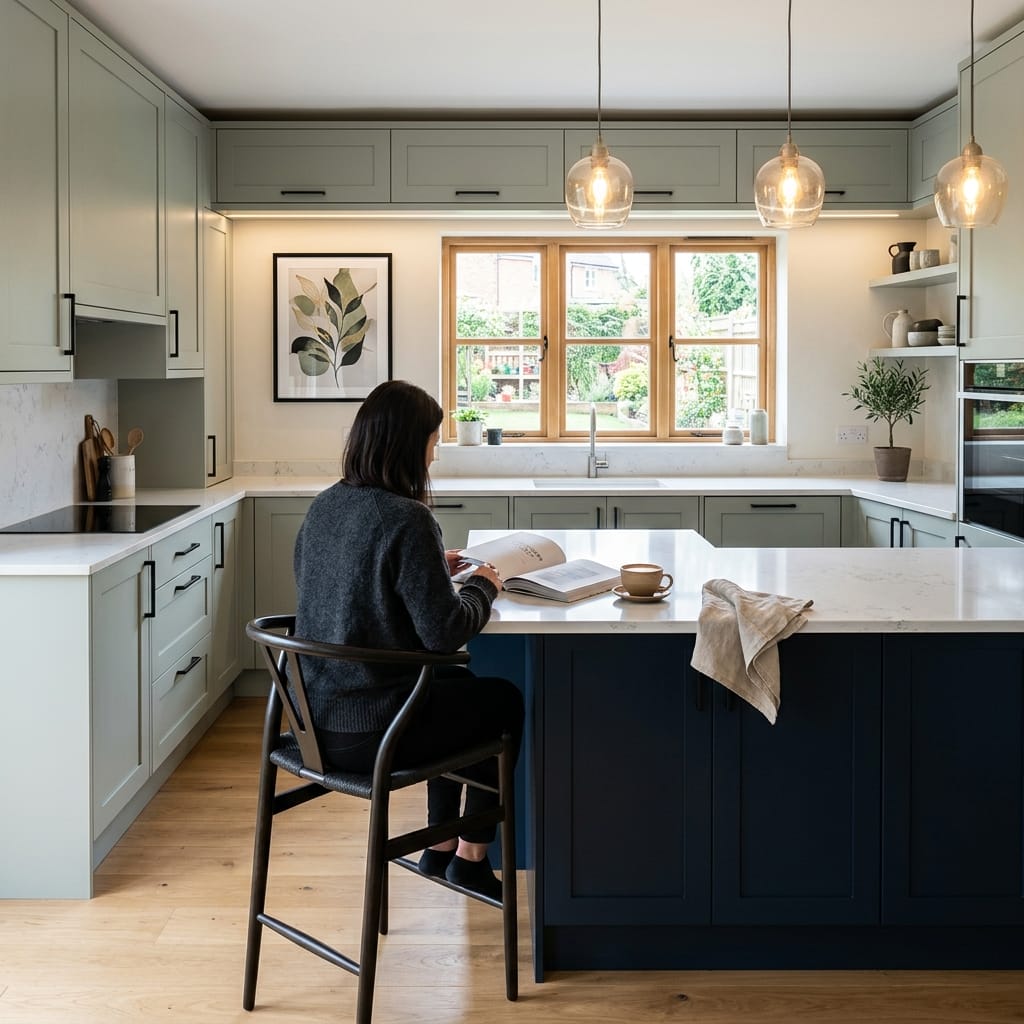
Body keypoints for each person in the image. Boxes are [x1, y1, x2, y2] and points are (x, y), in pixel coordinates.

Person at [293, 380, 523, 899]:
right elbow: (444, 633)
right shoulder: (407, 517)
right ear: (407, 442)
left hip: (314, 721)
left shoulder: (327, 504)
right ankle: (470, 857)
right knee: (501, 700)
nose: (435, 453)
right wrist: (484, 586)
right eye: (433, 440)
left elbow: (343, 583)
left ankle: (439, 849)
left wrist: (426, 569)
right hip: (371, 731)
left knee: (453, 683)